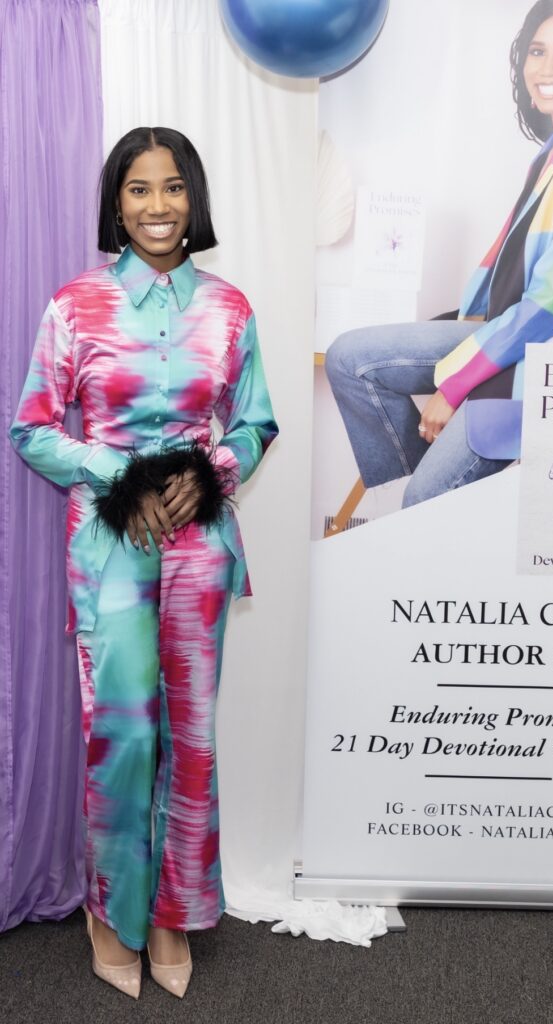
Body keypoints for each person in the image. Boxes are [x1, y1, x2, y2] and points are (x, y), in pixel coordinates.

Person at [9, 127, 277, 998]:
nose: (158, 206)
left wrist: (210, 472)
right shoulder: (75, 305)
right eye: (138, 189)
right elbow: (31, 428)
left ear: (193, 199)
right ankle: (109, 913)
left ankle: (172, 914)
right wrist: (117, 474)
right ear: (116, 205)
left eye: (172, 188)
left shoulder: (230, 309)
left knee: (189, 736)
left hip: (200, 549)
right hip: (110, 546)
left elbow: (256, 422)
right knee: (123, 732)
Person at [325, 0, 553, 509]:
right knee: (349, 358)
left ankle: (424, 505)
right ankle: (420, 504)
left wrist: (456, 386)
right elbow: (508, 269)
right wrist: (469, 333)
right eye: (537, 51)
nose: (548, 66)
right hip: (510, 330)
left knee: (425, 499)